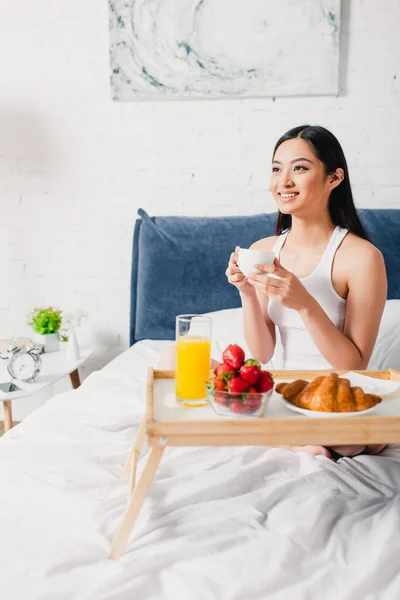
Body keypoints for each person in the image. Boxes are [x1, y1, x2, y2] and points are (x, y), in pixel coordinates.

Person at [225, 124, 387, 460]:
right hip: (281, 393)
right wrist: (245, 293)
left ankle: (301, 440)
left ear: (334, 179)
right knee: (175, 363)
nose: (283, 182)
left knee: (348, 440)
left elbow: (353, 365)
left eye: (299, 168)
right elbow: (263, 352)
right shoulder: (263, 249)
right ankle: (303, 442)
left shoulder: (362, 258)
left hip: (334, 397)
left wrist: (306, 305)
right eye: (276, 169)